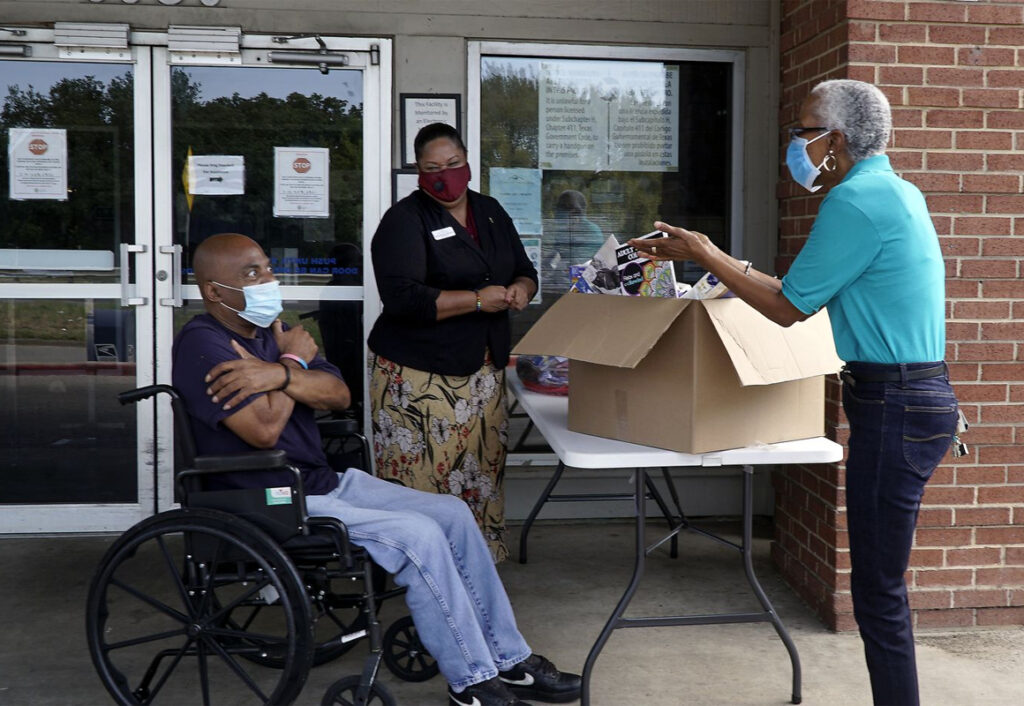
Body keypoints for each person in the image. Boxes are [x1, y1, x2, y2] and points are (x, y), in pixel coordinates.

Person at [629, 79, 959, 706]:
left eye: (804, 130)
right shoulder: (896, 192)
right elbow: (796, 288)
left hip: (897, 404)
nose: (795, 142)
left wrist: (703, 252)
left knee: (878, 593)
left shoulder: (856, 202)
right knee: (881, 587)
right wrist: (721, 263)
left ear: (835, 141)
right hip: (908, 399)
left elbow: (785, 308)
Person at [172, 233, 579, 706]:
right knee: (418, 536)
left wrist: (280, 374)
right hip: (270, 496)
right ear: (214, 292)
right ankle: (471, 683)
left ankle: (511, 662)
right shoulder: (203, 345)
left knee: (451, 514)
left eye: (267, 268)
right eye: (251, 274)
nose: (269, 280)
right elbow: (262, 430)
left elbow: (338, 394)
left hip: (321, 481)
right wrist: (292, 364)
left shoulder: (271, 332)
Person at [368, 122, 538, 562]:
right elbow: (403, 299)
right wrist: (478, 300)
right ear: (417, 171)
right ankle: (424, 568)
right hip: (419, 377)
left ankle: (478, 563)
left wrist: (522, 288)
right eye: (432, 168)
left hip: (482, 373)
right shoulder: (405, 220)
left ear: (467, 161)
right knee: (425, 482)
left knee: (480, 473)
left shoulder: (491, 211)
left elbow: (525, 268)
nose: (445, 175)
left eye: (454, 164)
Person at [541, 189, 605, 295]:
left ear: (573, 213)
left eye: (560, 209)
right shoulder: (564, 231)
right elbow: (556, 254)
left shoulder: (591, 232)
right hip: (561, 280)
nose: (556, 215)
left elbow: (577, 264)